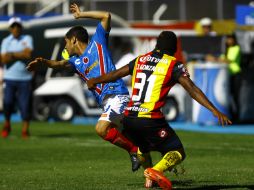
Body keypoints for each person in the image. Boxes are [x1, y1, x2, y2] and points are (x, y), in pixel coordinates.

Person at [86, 31, 232, 189]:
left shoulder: (140, 60)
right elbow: (192, 89)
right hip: (149, 118)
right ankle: (155, 171)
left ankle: (149, 179)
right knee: (177, 152)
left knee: (143, 149)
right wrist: (214, 110)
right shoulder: (172, 64)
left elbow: (116, 74)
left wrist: (95, 80)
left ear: (157, 45)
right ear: (174, 47)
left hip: (129, 118)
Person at [27, 4, 140, 171]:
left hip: (118, 95)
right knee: (134, 137)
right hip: (107, 103)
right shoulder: (75, 61)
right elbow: (58, 63)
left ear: (73, 40)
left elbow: (106, 16)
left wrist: (81, 15)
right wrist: (44, 63)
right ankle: (151, 169)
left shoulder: (98, 42)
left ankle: (134, 151)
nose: (65, 47)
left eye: (66, 42)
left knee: (101, 129)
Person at [1, 17, 33, 138]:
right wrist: (21, 53)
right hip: (9, 78)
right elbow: (3, 59)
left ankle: (25, 130)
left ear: (21, 28)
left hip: (25, 78)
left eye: (18, 26)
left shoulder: (27, 38)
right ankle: (7, 124)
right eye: (13, 26)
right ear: (10, 28)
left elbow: (28, 54)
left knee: (25, 105)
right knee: (7, 103)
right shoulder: (5, 41)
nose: (16, 29)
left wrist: (12, 54)